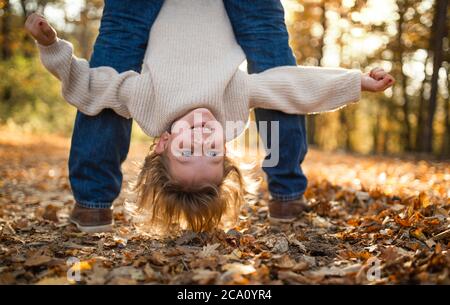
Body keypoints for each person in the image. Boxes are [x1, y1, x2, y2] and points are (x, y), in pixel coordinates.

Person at [25, 0, 394, 232]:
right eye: (213, 152)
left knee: (117, 46)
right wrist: (356, 82)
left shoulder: (147, 105)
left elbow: (90, 88)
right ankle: (288, 195)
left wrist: (52, 47)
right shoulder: (233, 111)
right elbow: (292, 86)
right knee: (270, 46)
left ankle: (93, 205)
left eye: (187, 151)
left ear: (162, 144)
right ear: (227, 151)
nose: (203, 137)